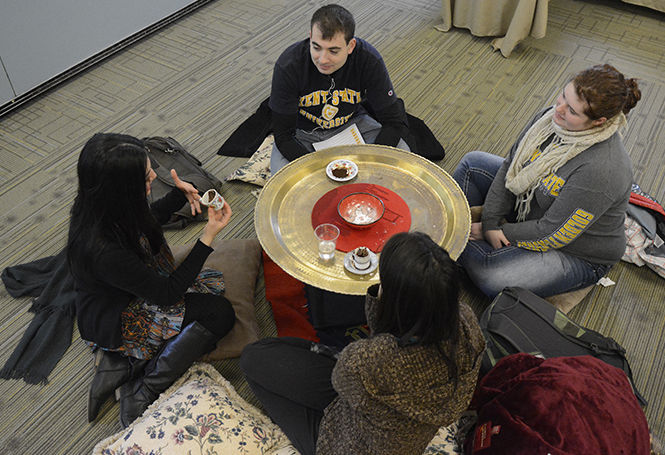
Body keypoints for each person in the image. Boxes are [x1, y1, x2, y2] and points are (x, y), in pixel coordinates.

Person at [240, 232, 485, 455]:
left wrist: (378, 299)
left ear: (396, 301)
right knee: (292, 349)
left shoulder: (368, 359)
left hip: (346, 443)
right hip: (402, 433)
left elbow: (341, 382)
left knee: (254, 357)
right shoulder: (467, 322)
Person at [66, 133, 236, 427]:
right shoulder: (103, 249)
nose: (155, 176)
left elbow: (145, 221)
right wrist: (207, 237)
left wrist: (178, 195)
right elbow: (167, 294)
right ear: (122, 189)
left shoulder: (103, 205)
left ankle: (119, 364)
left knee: (209, 294)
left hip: (127, 289)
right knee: (220, 314)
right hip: (118, 318)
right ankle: (143, 389)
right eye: (146, 177)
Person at [452, 64, 641, 298]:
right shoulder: (549, 118)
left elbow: (552, 232)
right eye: (563, 95)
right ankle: (459, 238)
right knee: (473, 163)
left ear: (598, 122)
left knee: (491, 274)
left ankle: (453, 238)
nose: (559, 109)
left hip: (576, 252)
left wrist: (502, 231)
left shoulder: (602, 169)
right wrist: (490, 223)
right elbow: (511, 166)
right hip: (534, 204)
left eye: (572, 110)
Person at [269, 4, 411, 173]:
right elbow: (283, 135)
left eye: (333, 51)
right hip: (302, 133)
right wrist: (319, 169)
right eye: (316, 47)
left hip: (352, 125)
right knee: (284, 179)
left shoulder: (368, 59)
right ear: (310, 37)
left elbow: (393, 122)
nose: (322, 59)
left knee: (403, 158)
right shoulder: (289, 64)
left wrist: (370, 163)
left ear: (350, 46)